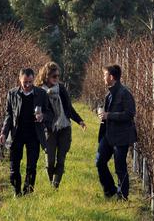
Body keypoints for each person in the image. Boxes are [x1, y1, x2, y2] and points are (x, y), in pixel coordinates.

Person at [0, 68, 53, 196]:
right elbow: (9, 115)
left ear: (33, 79)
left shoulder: (41, 94)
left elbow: (50, 113)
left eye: (30, 82)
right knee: (13, 167)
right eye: (25, 82)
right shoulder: (12, 94)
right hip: (16, 134)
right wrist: (4, 133)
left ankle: (27, 193)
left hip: (34, 135)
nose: (28, 85)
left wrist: (43, 117)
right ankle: (17, 192)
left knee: (31, 166)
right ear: (20, 80)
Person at [36, 61, 87, 189]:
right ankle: (51, 180)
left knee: (61, 158)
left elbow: (69, 107)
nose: (56, 79)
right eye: (54, 76)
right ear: (46, 76)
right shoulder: (40, 91)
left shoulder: (61, 88)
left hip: (64, 127)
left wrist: (79, 120)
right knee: (50, 160)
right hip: (49, 129)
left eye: (58, 76)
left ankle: (55, 186)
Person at [96, 64, 137, 200]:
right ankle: (110, 190)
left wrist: (109, 115)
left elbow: (130, 114)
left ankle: (123, 196)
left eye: (105, 75)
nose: (103, 77)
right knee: (99, 161)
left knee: (120, 166)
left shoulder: (125, 93)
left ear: (111, 77)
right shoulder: (109, 94)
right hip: (108, 135)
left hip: (121, 136)